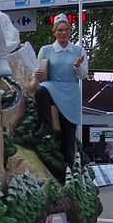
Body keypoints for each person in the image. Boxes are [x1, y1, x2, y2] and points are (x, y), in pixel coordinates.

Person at [32, 13, 88, 169]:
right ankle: (46, 125)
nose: (63, 33)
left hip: (70, 90)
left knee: (68, 134)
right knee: (41, 92)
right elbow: (38, 70)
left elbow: (83, 75)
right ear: (54, 32)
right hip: (53, 85)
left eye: (66, 30)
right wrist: (36, 74)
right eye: (60, 30)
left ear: (70, 32)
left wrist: (77, 66)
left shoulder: (79, 50)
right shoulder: (46, 49)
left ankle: (68, 168)